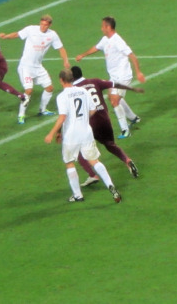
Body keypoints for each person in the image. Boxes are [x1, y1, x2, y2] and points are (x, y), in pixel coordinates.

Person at [43, 69, 122, 204]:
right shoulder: (84, 91)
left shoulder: (62, 97)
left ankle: (77, 195)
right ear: (72, 79)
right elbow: (93, 109)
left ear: (61, 80)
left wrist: (52, 133)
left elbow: (63, 117)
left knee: (69, 162)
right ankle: (111, 185)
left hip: (71, 135)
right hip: (86, 132)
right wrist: (83, 119)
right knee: (94, 161)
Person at [70, 65, 142, 188]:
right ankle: (127, 161)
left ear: (71, 77)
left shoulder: (73, 90)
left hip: (90, 123)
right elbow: (115, 84)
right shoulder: (95, 81)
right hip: (104, 119)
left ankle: (92, 175)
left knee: (78, 149)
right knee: (110, 145)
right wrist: (132, 88)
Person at [75, 17, 146, 139]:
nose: (101, 28)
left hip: (123, 75)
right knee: (113, 98)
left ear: (108, 27)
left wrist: (138, 72)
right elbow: (96, 47)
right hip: (114, 76)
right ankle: (133, 118)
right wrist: (83, 54)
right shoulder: (105, 39)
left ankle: (125, 130)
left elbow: (132, 56)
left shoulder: (118, 41)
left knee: (114, 101)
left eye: (103, 26)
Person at [0, 15, 70, 123]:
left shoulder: (52, 35)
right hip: (25, 67)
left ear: (49, 25)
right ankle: (21, 115)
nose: (42, 26)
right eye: (41, 24)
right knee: (29, 90)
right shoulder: (31, 29)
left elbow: (61, 48)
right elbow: (17, 34)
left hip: (38, 67)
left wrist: (65, 60)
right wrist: (5, 36)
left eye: (45, 25)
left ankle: (42, 110)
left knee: (49, 88)